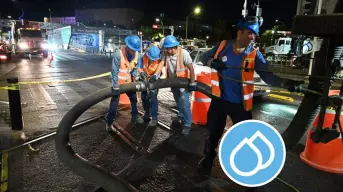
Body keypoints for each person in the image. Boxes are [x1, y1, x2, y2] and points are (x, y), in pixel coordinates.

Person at [197, 16, 304, 178]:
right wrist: (212, 62)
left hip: (240, 106)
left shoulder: (255, 54)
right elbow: (204, 57)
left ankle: (249, 171)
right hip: (219, 100)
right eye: (250, 33)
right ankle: (208, 160)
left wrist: (286, 82)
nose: (253, 37)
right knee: (212, 134)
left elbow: (268, 76)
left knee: (245, 137)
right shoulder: (223, 46)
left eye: (255, 34)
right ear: (239, 32)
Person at [150, 35, 196, 136]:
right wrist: (155, 74)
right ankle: (180, 117)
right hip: (173, 82)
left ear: (174, 47)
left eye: (168, 48)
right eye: (165, 48)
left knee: (184, 104)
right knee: (178, 100)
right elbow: (161, 63)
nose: (166, 50)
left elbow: (191, 68)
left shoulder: (183, 53)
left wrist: (192, 82)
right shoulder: (166, 53)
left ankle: (188, 124)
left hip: (183, 84)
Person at [105, 35, 144, 131]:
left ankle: (135, 117)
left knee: (134, 100)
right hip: (118, 84)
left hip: (129, 82)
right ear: (127, 46)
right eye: (131, 49)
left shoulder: (137, 55)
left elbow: (134, 68)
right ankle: (109, 123)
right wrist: (115, 86)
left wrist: (136, 77)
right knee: (114, 104)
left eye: (135, 50)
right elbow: (114, 71)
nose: (133, 51)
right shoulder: (118, 54)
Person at [137, 45, 162, 127]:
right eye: (151, 58)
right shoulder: (143, 57)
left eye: (153, 58)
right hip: (144, 81)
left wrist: (155, 75)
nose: (152, 60)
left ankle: (154, 118)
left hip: (154, 82)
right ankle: (147, 113)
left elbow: (159, 69)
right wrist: (141, 73)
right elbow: (139, 67)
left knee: (153, 99)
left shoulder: (158, 60)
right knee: (144, 98)